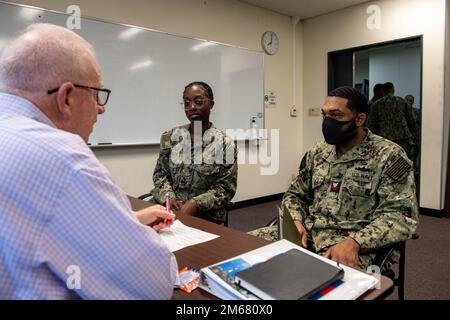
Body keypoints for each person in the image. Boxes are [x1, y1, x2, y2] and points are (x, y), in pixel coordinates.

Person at [0, 24, 177, 299]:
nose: (101, 107)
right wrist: (137, 238)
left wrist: (128, 220)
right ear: (67, 97)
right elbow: (153, 285)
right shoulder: (62, 156)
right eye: (96, 94)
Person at [249, 87, 418, 270]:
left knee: (310, 282)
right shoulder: (318, 152)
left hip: (354, 243)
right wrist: (295, 221)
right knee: (243, 247)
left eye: (336, 115)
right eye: (324, 115)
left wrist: (354, 242)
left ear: (359, 119)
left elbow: (401, 216)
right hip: (309, 233)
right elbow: (294, 194)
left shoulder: (390, 156)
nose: (327, 122)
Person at [152, 82, 237, 224]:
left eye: (198, 102)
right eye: (186, 103)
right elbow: (161, 175)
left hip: (205, 215)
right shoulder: (171, 137)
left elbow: (225, 189)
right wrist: (170, 198)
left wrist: (195, 204)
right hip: (168, 209)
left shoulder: (224, 144)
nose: (191, 107)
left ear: (211, 104)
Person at [367, 82, 416, 160]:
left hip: (385, 139)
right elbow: (411, 120)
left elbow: (371, 124)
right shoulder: (402, 101)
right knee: (405, 163)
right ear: (393, 90)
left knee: (387, 162)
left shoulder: (376, 104)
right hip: (403, 138)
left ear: (382, 91)